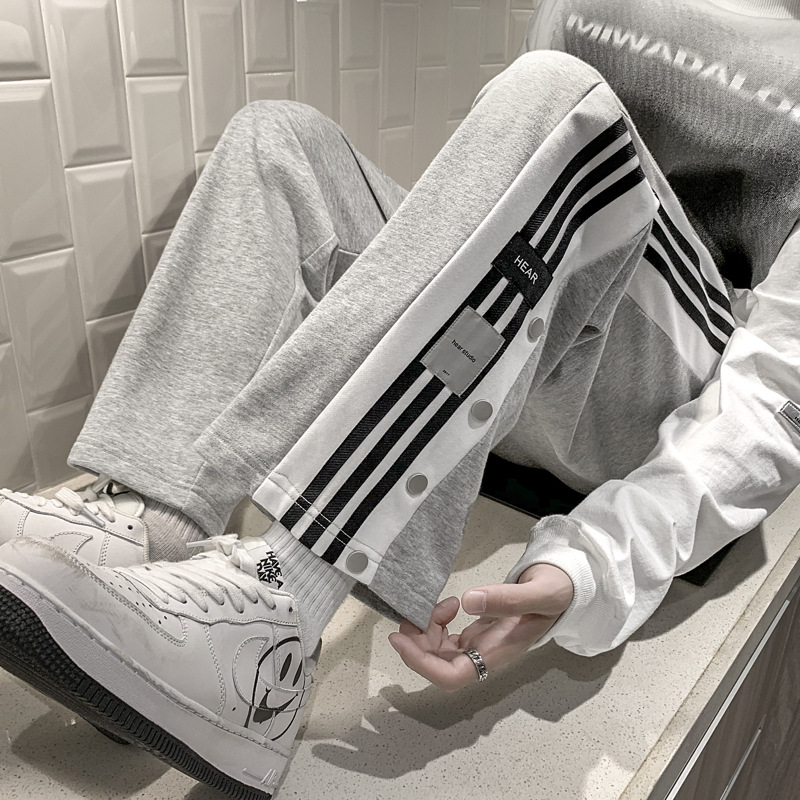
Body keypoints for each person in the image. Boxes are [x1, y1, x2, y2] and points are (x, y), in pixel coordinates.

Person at [0, 0, 798, 797]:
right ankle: (153, 529)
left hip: (653, 392)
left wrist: (597, 563)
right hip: (537, 340)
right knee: (280, 141)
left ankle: (275, 620)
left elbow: (774, 400)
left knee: (562, 96)